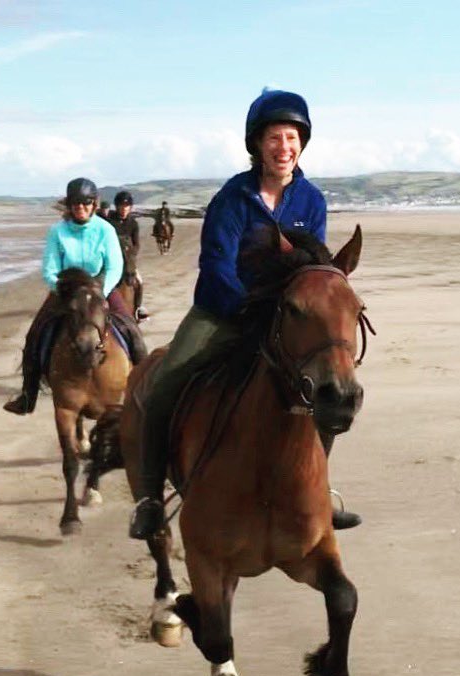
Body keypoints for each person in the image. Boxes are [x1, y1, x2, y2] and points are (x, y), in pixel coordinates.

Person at [129, 88, 362, 539]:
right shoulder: (231, 198)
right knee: (163, 383)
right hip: (222, 310)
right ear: (256, 144)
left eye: (292, 137)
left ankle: (319, 490)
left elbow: (311, 265)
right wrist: (244, 309)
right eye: (274, 137)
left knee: (325, 385)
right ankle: (150, 498)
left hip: (284, 315)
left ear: (302, 143)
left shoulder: (311, 200)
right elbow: (216, 265)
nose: (284, 147)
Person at [3, 177, 144, 415]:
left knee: (133, 331)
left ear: (94, 204)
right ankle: (28, 395)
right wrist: (63, 291)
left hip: (101, 289)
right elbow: (49, 268)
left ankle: (144, 390)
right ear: (69, 205)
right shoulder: (57, 232)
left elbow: (115, 266)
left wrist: (101, 291)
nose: (81, 207)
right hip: (66, 291)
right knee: (35, 335)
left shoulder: (105, 230)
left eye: (86, 202)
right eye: (76, 203)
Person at [107, 190, 150, 322]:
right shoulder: (109, 222)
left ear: (130, 207)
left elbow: (136, 244)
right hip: (111, 261)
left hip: (128, 260)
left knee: (139, 282)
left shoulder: (133, 223)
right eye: (121, 206)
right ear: (117, 206)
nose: (124, 209)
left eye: (126, 206)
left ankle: (138, 308)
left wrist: (131, 255)